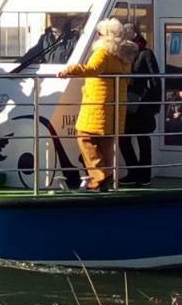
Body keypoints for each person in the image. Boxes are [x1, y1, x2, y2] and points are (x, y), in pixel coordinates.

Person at [57, 18, 134, 191]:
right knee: (106, 142)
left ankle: (100, 175)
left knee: (84, 136)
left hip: (99, 104)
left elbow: (93, 69)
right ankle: (105, 181)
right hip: (116, 105)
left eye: (99, 33)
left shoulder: (103, 52)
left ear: (105, 35)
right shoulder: (124, 55)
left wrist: (69, 70)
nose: (97, 36)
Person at [119, 28, 161, 186]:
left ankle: (145, 175)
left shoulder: (145, 53)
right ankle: (133, 171)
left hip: (142, 102)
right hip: (125, 101)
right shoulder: (121, 52)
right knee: (123, 138)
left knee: (143, 138)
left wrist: (156, 104)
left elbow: (155, 79)